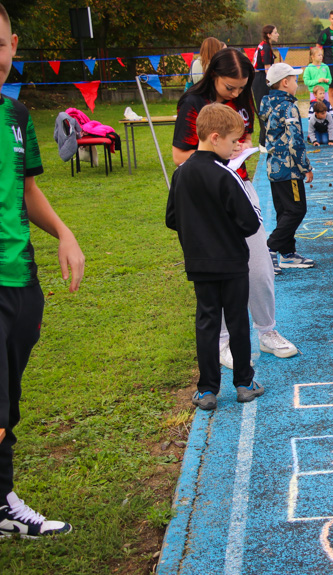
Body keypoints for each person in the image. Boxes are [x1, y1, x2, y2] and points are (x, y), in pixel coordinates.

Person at [0, 2, 83, 537]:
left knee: (8, 399)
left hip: (19, 281)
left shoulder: (17, 117)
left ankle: (1, 500)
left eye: (1, 44)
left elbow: (27, 190)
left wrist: (65, 233)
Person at [172, 48, 298, 367]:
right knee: (223, 271)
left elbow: (245, 134)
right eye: (230, 87)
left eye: (242, 88)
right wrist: (219, 158)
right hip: (208, 199)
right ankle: (222, 341)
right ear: (213, 75)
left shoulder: (242, 99)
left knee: (259, 265)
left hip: (240, 187)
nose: (237, 93)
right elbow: (180, 156)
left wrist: (239, 148)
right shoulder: (192, 103)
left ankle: (267, 331)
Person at [166, 103, 264, 410]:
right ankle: (244, 383)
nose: (237, 148)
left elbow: (171, 218)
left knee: (207, 322)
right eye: (234, 141)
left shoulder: (181, 174)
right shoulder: (226, 174)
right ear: (215, 137)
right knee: (237, 320)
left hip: (199, 263)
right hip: (233, 263)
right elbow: (249, 222)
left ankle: (207, 389)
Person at [260, 63, 316, 270]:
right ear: (285, 82)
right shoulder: (288, 106)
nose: (296, 82)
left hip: (274, 168)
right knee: (296, 210)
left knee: (284, 211)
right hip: (289, 169)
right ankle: (270, 248)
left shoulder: (268, 104)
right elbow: (295, 140)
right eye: (294, 79)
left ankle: (287, 252)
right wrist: (305, 167)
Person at [252, 25, 278, 148]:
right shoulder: (266, 47)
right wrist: (274, 84)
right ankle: (263, 143)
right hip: (261, 79)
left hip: (260, 78)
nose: (277, 34)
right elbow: (268, 69)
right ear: (269, 35)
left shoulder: (264, 45)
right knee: (265, 110)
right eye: (275, 32)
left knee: (267, 110)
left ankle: (265, 141)